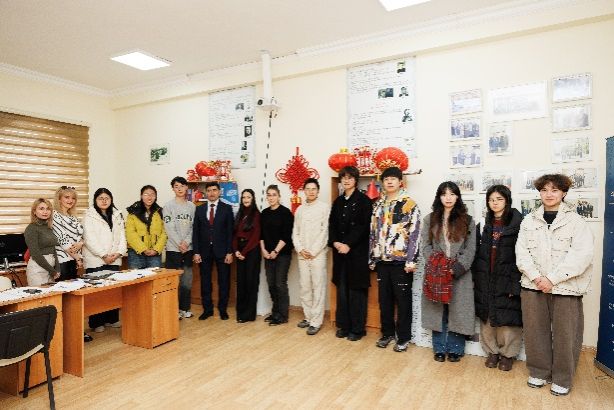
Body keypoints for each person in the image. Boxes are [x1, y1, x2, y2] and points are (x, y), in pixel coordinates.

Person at [516, 174, 594, 396]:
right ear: (539, 193)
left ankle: (562, 378)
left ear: (563, 193)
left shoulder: (576, 222)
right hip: (533, 285)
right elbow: (521, 254)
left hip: (566, 287)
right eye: (544, 190)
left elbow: (581, 256)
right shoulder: (528, 221)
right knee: (535, 332)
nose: (549, 194)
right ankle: (539, 372)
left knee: (566, 334)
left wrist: (552, 279)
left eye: (554, 190)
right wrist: (536, 277)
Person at [421, 181, 476, 363]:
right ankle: (439, 348)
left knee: (458, 311)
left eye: (452, 194)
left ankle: (455, 349)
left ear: (457, 197)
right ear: (439, 197)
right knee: (438, 310)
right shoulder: (430, 219)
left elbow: (471, 249)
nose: (448, 198)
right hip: (436, 272)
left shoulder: (468, 220)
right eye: (444, 194)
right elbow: (425, 246)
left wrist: (456, 268)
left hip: (459, 273)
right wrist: (439, 266)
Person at [369, 166, 421, 353]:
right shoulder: (378, 204)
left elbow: (415, 234)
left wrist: (411, 260)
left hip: (401, 262)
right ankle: (387, 333)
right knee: (384, 300)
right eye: (386, 179)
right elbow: (373, 232)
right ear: (382, 183)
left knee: (403, 301)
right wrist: (372, 257)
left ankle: (404, 337)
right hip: (382, 260)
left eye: (393, 178)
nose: (389, 181)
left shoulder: (409, 204)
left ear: (400, 182)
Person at [473, 185, 523, 371]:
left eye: (499, 199)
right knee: (486, 317)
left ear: (507, 200)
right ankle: (492, 352)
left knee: (507, 318)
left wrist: (515, 283)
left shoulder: (519, 224)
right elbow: (475, 253)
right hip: (485, 276)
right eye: (491, 200)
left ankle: (508, 355)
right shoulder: (483, 224)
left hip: (508, 276)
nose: (495, 203)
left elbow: (523, 256)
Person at [329, 166, 372, 341]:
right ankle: (343, 326)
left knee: (356, 292)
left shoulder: (364, 200)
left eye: (350, 177)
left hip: (357, 253)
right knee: (342, 291)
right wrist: (335, 242)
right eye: (343, 178)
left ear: (356, 180)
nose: (346, 180)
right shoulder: (338, 201)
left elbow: (364, 227)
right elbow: (332, 225)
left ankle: (357, 329)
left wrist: (348, 244)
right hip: (340, 253)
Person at [83, 188, 127, 333]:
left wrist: (118, 253)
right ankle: (97, 322)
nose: (104, 201)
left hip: (114, 258)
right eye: (100, 198)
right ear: (95, 200)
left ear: (111, 199)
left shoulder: (117, 214)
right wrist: (103, 255)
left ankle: (112, 319)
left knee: (113, 290)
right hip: (96, 259)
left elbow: (122, 236)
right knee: (96, 292)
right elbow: (89, 239)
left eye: (106, 198)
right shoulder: (89, 215)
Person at [292, 178, 330, 335]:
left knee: (318, 287)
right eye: (308, 189)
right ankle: (308, 317)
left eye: (313, 189)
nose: (311, 191)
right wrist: (300, 249)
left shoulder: (324, 208)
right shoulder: (300, 210)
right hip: (302, 254)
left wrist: (313, 251)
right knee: (305, 287)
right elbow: (295, 232)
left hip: (317, 255)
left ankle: (316, 321)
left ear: (318, 191)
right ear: (304, 191)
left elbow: (325, 232)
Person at [193, 181, 234, 320]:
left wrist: (229, 252)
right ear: (205, 193)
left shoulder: (227, 209)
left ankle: (223, 309)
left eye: (214, 190)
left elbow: (230, 232)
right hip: (204, 251)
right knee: (205, 281)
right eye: (209, 190)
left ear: (219, 192)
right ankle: (207, 310)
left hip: (222, 251)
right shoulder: (199, 209)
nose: (211, 193)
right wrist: (196, 252)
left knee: (224, 281)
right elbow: (196, 232)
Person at [260, 184, 294, 326]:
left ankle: (283, 315)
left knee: (280, 284)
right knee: (271, 284)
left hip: (282, 254)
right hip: (267, 254)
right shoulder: (264, 213)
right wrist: (264, 250)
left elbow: (286, 236)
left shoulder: (286, 213)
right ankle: (275, 312)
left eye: (274, 195)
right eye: (269, 195)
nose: (271, 197)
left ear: (279, 196)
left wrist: (275, 251)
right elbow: (261, 235)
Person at [163, 176, 196, 319]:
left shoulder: (192, 206)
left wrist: (186, 243)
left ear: (186, 187)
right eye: (176, 186)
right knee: (173, 281)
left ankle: (185, 308)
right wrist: (179, 243)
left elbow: (194, 227)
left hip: (188, 249)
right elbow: (169, 228)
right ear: (173, 189)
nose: (180, 189)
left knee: (187, 280)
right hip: (173, 249)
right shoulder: (168, 206)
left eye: (182, 186)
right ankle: (173, 310)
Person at [233, 189, 261, 323]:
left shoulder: (256, 215)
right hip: (239, 251)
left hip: (251, 251)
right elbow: (234, 234)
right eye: (243, 197)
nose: (246, 199)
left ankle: (249, 315)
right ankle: (241, 313)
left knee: (251, 282)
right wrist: (236, 250)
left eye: (248, 197)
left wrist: (244, 252)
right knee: (241, 283)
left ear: (253, 199)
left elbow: (255, 237)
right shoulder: (239, 214)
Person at [126, 185, 167, 268]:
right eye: (146, 194)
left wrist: (156, 249)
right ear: (141, 196)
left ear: (155, 197)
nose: (149, 197)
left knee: (155, 275)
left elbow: (165, 232)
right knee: (137, 276)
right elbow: (130, 233)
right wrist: (143, 249)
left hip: (154, 253)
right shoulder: (133, 212)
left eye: (152, 194)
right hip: (135, 253)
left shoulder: (160, 212)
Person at [24, 198, 60, 286]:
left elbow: (53, 249)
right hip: (37, 270)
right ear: (34, 211)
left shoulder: (48, 227)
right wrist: (52, 271)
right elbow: (35, 254)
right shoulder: (31, 228)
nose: (45, 212)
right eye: (41, 209)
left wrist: (57, 268)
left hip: (50, 269)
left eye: (48, 209)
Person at [52, 186, 84, 281]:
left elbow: (80, 236)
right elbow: (63, 240)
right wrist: (77, 258)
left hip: (73, 260)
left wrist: (81, 243)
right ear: (59, 199)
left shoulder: (73, 217)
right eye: (67, 197)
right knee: (64, 289)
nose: (71, 200)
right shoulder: (55, 215)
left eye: (73, 198)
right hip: (62, 261)